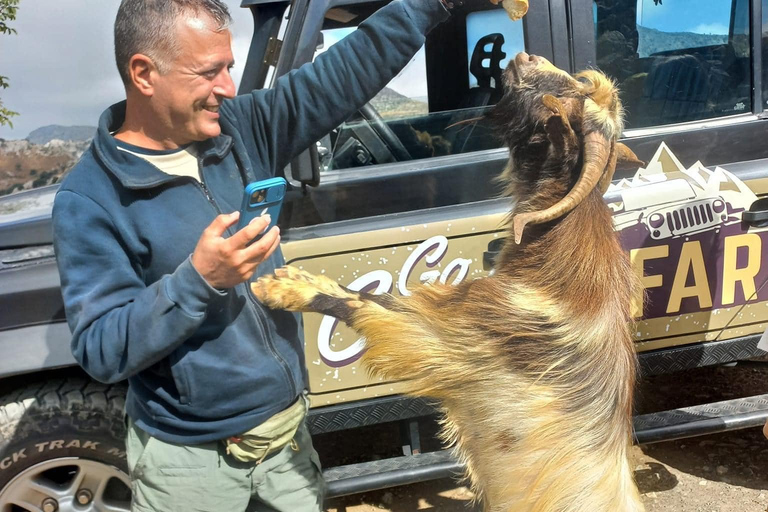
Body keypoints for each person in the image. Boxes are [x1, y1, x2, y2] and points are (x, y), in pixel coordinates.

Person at [52, 0, 456, 510]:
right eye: (209, 72)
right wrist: (199, 281)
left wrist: (427, 4)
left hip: (288, 444)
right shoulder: (89, 199)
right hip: (192, 467)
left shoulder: (242, 128)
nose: (227, 86)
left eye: (228, 66)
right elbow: (101, 348)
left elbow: (342, 73)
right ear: (143, 73)